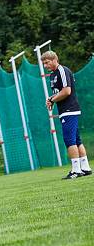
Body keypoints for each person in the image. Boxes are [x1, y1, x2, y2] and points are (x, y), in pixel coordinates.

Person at [42, 51, 91, 179]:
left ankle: (76, 170)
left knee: (69, 140)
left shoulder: (62, 70)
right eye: (44, 63)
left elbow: (67, 91)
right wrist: (51, 99)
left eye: (47, 62)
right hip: (65, 110)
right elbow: (58, 93)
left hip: (69, 110)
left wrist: (52, 99)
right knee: (76, 140)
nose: (45, 65)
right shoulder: (52, 75)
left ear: (54, 59)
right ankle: (85, 167)